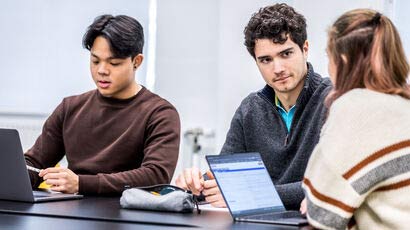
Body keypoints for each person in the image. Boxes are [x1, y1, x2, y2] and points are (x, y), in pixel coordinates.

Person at [176, 3, 332, 210]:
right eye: (266, 60)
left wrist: (254, 196)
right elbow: (225, 179)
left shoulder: (334, 100)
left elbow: (333, 186)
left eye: (286, 54)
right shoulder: (250, 109)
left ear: (305, 49)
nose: (278, 68)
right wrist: (196, 184)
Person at [24, 15, 181, 195]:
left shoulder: (159, 113)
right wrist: (13, 173)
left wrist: (82, 184)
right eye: (95, 61)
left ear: (136, 62)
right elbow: (34, 163)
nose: (102, 70)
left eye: (114, 63)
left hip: (127, 215)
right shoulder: (70, 108)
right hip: (74, 213)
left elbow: (156, 175)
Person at [302, 9, 410, 229]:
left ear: (341, 60)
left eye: (328, 55)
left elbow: (322, 214)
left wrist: (313, 200)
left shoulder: (355, 106)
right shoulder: (404, 102)